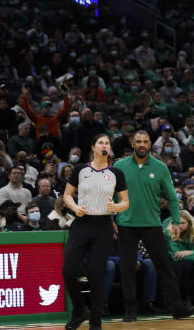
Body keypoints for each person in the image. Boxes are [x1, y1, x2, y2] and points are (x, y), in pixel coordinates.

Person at [113, 131, 194, 322]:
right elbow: (110, 195)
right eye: (138, 141)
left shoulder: (160, 167)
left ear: (150, 144)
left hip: (152, 224)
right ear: (132, 143)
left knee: (165, 266)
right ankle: (130, 310)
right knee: (127, 268)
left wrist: (176, 220)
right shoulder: (119, 166)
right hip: (126, 224)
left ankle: (176, 307)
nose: (141, 144)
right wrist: (112, 220)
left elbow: (172, 198)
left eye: (145, 141)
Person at [62, 134, 129, 330]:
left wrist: (117, 207)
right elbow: (67, 195)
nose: (104, 145)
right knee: (68, 271)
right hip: (82, 224)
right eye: (101, 142)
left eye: (107, 143)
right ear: (93, 147)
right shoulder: (81, 170)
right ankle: (80, 310)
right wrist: (75, 208)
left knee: (97, 275)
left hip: (103, 227)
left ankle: (96, 322)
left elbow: (125, 202)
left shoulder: (116, 173)